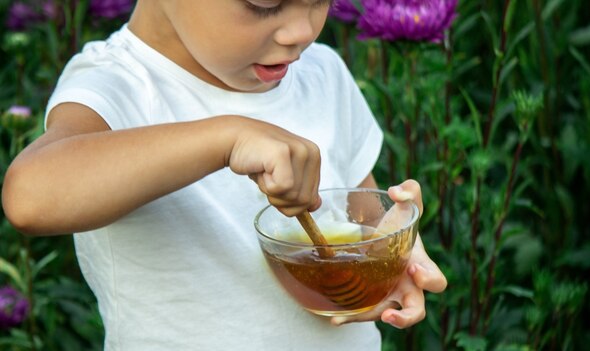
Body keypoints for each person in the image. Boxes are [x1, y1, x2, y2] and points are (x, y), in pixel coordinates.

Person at [1, 0, 447, 350]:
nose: (301, 31)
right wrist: (226, 138)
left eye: (319, 0)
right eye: (264, 3)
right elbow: (31, 196)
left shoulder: (322, 73)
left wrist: (391, 247)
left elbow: (362, 216)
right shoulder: (120, 87)